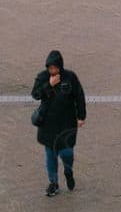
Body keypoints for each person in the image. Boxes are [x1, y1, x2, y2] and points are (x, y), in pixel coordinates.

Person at [31, 49, 86, 197]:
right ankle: (53, 183)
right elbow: (35, 94)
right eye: (50, 68)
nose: (53, 71)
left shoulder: (70, 77)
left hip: (67, 124)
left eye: (55, 68)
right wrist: (48, 85)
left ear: (60, 66)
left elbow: (79, 96)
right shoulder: (43, 77)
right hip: (48, 125)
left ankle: (68, 172)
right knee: (51, 155)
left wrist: (81, 116)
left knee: (67, 153)